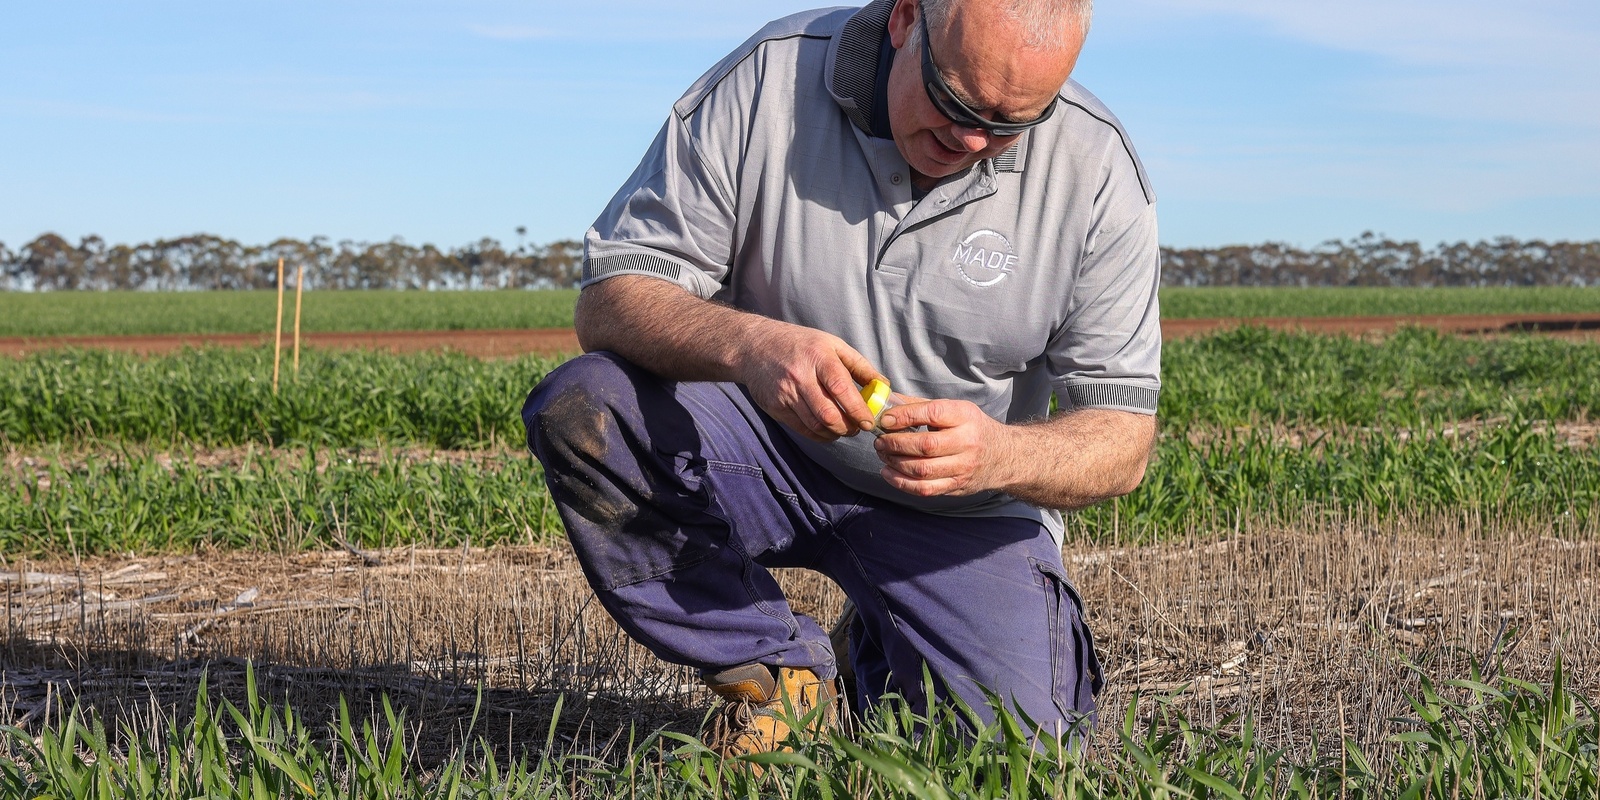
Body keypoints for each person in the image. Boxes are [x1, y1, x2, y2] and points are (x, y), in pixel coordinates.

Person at [522, 0, 1159, 754]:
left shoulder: (1098, 167)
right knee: (587, 409)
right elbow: (613, 296)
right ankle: (774, 665)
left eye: (1013, 122)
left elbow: (1123, 441)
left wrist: (996, 455)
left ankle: (878, 654)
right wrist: (751, 346)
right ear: (904, 20)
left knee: (1023, 756)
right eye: (955, 100)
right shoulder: (769, 79)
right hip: (763, 448)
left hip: (962, 516)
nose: (974, 139)